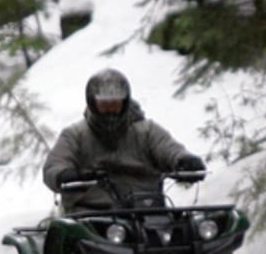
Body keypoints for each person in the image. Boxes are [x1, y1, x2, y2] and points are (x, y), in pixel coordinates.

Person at [42, 68, 206, 211]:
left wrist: (184, 161)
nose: (110, 109)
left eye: (115, 103)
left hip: (146, 210)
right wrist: (68, 175)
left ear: (125, 102)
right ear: (92, 103)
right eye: (104, 104)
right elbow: (54, 166)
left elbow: (168, 148)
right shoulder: (75, 134)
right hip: (91, 215)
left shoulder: (147, 131)